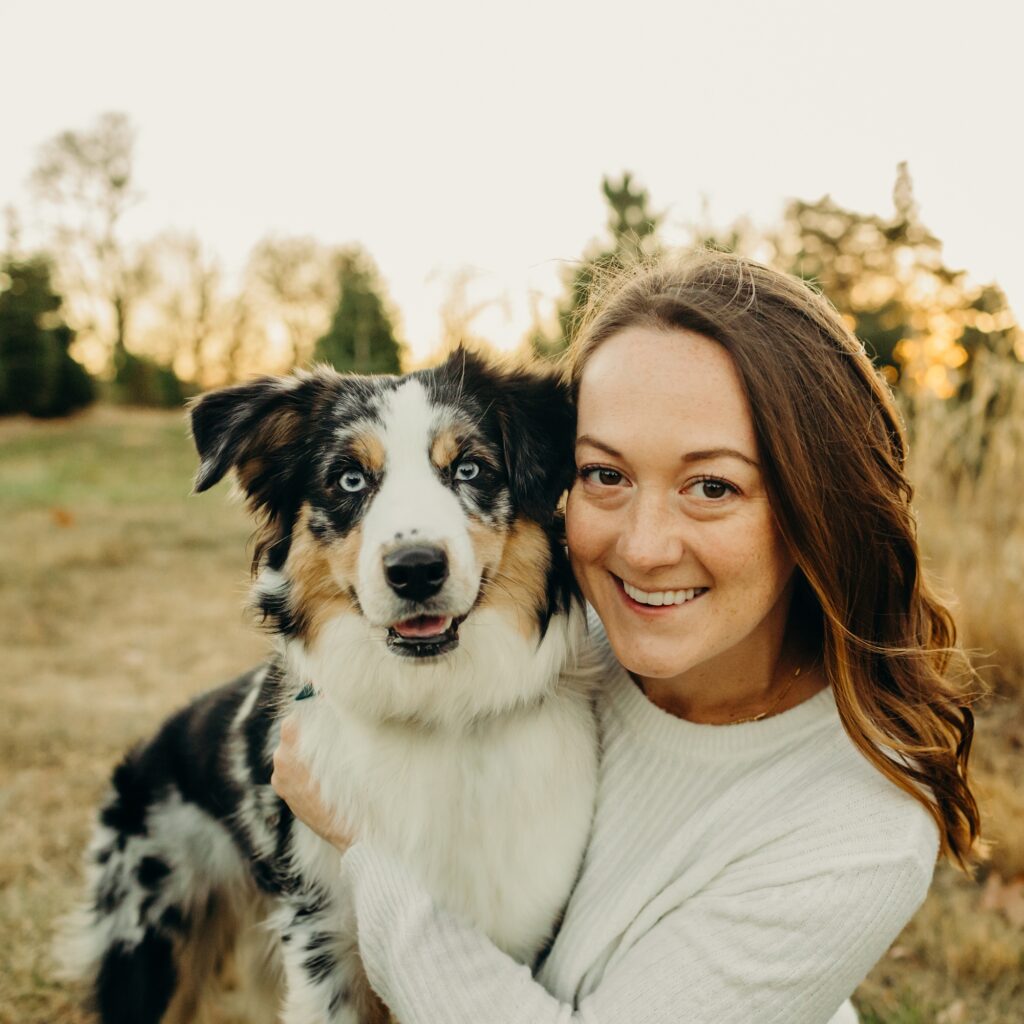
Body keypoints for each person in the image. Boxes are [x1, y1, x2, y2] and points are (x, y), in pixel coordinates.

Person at [272, 250, 981, 1023]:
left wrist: (363, 853)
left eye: (712, 486)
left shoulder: (858, 830)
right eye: (605, 475)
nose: (643, 549)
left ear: (818, 506)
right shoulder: (550, 650)